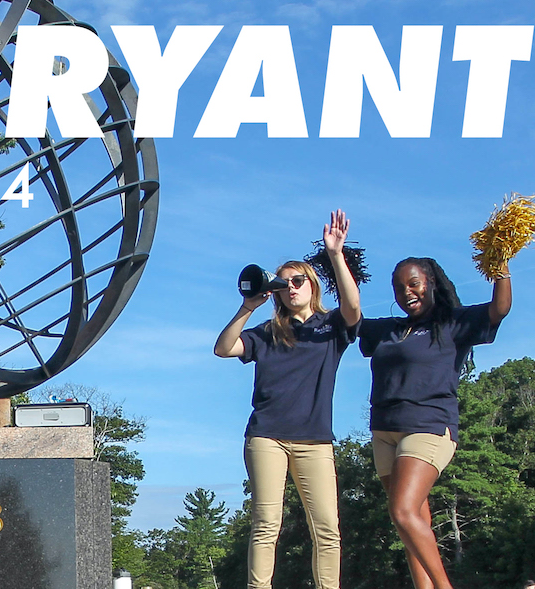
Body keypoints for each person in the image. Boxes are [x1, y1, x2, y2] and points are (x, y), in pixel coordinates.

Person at [214, 210, 361, 589]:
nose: (292, 288)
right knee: (266, 524)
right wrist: (249, 306)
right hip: (267, 437)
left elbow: (354, 309)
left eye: (299, 281)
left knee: (327, 527)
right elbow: (223, 348)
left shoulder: (330, 329)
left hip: (315, 440)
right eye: (285, 283)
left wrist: (335, 255)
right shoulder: (266, 332)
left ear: (312, 285)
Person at [358, 257, 511, 589]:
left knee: (402, 511)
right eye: (399, 288)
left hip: (427, 427)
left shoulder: (453, 322)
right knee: (410, 521)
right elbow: (351, 318)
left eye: (413, 284)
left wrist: (500, 264)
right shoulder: (389, 329)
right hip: (384, 432)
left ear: (431, 282)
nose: (406, 292)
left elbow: (499, 309)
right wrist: (339, 259)